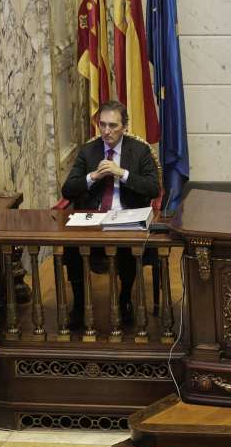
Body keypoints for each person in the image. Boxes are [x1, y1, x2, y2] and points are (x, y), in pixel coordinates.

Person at [61, 100, 159, 327]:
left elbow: (153, 188)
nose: (106, 131)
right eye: (102, 125)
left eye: (113, 125)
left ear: (125, 126)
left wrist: (122, 173)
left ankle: (124, 300)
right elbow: (68, 189)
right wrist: (92, 177)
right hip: (93, 219)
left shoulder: (140, 151)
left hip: (126, 218)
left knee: (125, 245)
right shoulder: (89, 151)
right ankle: (78, 304)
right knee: (72, 247)